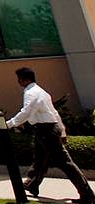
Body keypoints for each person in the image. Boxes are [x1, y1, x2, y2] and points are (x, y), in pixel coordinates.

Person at [6, 67, 94, 203]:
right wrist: (62, 130)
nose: (18, 82)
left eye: (19, 79)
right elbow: (54, 113)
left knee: (64, 162)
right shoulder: (42, 92)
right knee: (40, 159)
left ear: (25, 79)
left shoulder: (31, 93)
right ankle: (32, 184)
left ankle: (87, 194)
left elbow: (27, 111)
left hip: (46, 130)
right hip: (46, 129)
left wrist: (8, 124)